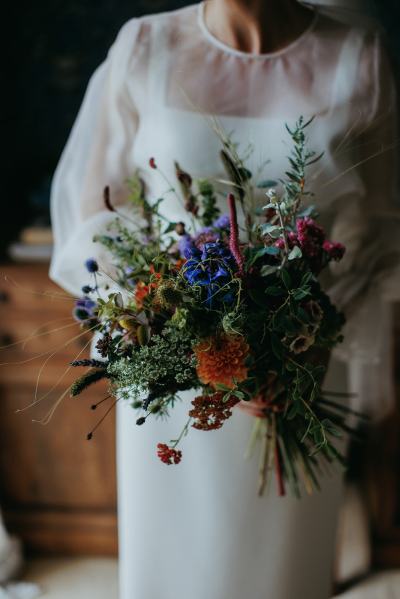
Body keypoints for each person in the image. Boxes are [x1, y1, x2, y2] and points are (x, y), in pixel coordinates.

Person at [50, 1, 399, 597]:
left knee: (280, 570)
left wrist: (303, 342)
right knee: (175, 567)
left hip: (299, 370)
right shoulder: (145, 47)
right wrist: (171, 324)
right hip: (171, 368)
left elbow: (383, 226)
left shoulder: (357, 58)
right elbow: (96, 211)